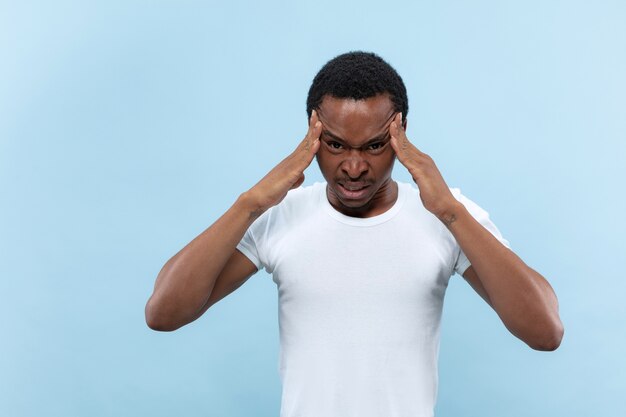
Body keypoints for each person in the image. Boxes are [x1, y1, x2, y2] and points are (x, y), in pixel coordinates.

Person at [145, 51, 564, 417]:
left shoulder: (446, 213)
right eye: (336, 144)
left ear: (401, 136)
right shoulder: (280, 214)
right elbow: (163, 314)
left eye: (375, 146)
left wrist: (450, 212)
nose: (354, 166)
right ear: (312, 134)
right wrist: (250, 203)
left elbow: (545, 331)